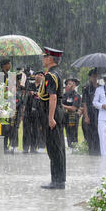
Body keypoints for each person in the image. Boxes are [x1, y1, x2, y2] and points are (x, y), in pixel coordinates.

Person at [38, 47, 66, 189]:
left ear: (50, 59)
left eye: (45, 57)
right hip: (58, 111)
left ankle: (57, 181)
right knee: (58, 146)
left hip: (53, 112)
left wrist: (50, 118)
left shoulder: (51, 75)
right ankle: (59, 179)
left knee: (54, 147)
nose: (43, 59)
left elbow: (52, 97)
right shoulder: (57, 73)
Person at [23, 70, 46, 153]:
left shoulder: (43, 87)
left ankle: (33, 148)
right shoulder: (29, 85)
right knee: (26, 130)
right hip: (28, 110)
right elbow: (24, 94)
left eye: (41, 75)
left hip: (38, 111)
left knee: (36, 130)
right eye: (38, 74)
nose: (39, 76)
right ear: (35, 76)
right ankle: (25, 148)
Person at [81, 68, 100, 155]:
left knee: (98, 135)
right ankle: (91, 153)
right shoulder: (86, 88)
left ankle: (98, 153)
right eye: (93, 76)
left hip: (98, 113)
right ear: (90, 77)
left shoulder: (100, 87)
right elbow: (84, 103)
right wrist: (86, 116)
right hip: (89, 111)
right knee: (89, 135)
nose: (95, 78)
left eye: (96, 76)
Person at [62, 78, 82, 148]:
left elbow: (73, 108)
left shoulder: (76, 96)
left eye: (69, 84)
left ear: (74, 85)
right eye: (67, 84)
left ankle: (74, 148)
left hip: (72, 116)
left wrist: (63, 106)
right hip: (65, 115)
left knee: (73, 133)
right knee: (67, 132)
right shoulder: (65, 95)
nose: (67, 85)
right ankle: (70, 148)